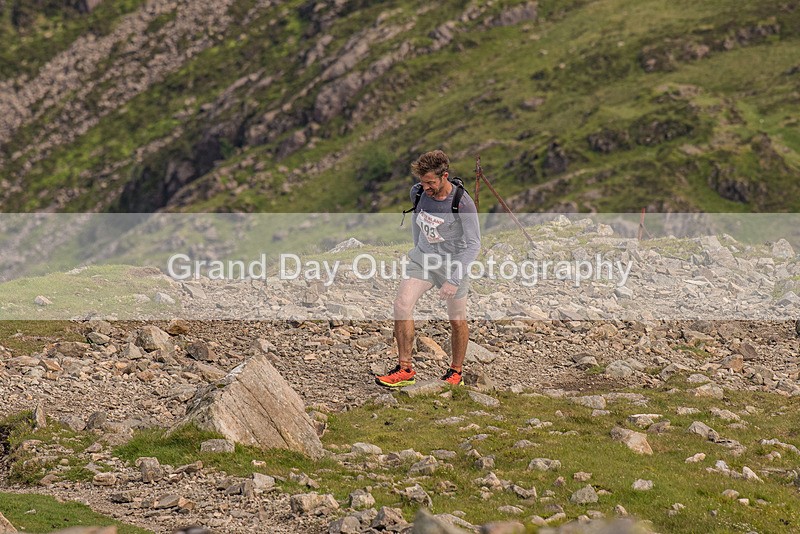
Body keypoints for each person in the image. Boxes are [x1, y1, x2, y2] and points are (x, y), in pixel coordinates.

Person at [375, 150, 481, 387]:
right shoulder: (418, 191)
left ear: (444, 176)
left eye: (430, 182)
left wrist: (453, 280)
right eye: (422, 181)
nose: (425, 187)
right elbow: (416, 220)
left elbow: (474, 245)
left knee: (456, 319)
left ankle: (456, 372)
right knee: (402, 304)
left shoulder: (462, 203)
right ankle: (405, 369)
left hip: (454, 264)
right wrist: (417, 251)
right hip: (423, 260)